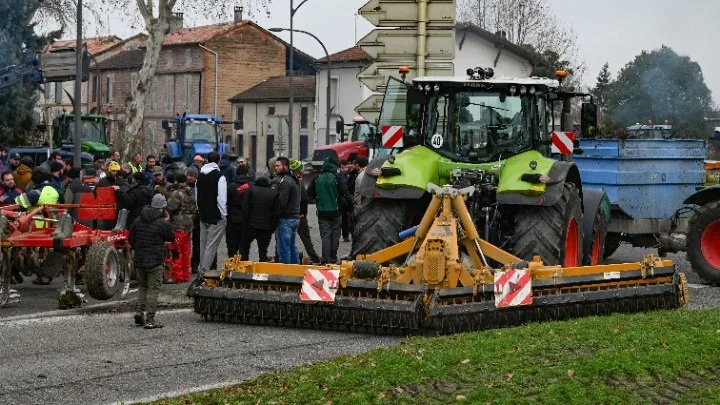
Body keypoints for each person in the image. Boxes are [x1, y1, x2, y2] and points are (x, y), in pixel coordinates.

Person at [129, 194, 175, 329]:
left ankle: (139, 313)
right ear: (162, 208)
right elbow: (171, 237)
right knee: (153, 289)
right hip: (155, 261)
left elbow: (131, 240)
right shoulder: (162, 223)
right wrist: (167, 221)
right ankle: (150, 319)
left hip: (139, 260)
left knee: (142, 287)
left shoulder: (138, 220)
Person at [308, 158, 352, 264]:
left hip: (322, 212)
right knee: (335, 235)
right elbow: (345, 192)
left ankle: (325, 259)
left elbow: (309, 193)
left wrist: (319, 199)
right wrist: (350, 202)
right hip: (336, 211)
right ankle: (333, 258)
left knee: (325, 235)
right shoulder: (337, 177)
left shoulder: (317, 178)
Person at [195, 151, 227, 274]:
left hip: (203, 214)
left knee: (203, 244)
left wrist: (200, 211)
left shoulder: (200, 176)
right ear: (218, 161)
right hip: (216, 216)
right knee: (211, 246)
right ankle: (204, 272)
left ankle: (200, 269)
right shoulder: (220, 177)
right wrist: (223, 215)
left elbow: (196, 196)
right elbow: (221, 199)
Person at [165, 173, 196, 283]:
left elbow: (171, 207)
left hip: (178, 224)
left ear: (176, 181)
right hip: (188, 224)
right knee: (186, 251)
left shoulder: (177, 193)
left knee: (176, 250)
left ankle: (176, 276)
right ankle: (185, 275)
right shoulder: (190, 192)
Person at [239, 176, 277, 262]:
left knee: (244, 246)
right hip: (266, 227)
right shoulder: (273, 193)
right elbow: (276, 212)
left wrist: (244, 224)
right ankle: (262, 267)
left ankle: (243, 265)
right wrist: (272, 227)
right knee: (263, 250)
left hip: (250, 226)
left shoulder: (251, 190)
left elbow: (245, 209)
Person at [272, 157, 301, 264]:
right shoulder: (294, 179)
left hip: (286, 218)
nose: (276, 168)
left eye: (278, 165)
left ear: (286, 166)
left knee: (284, 247)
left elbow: (282, 202)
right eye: (275, 165)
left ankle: (286, 273)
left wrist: (275, 216)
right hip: (294, 217)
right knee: (292, 246)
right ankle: (296, 269)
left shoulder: (285, 181)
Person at [293, 165, 320, 264]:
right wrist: (303, 213)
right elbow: (304, 199)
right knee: (306, 239)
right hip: (300, 216)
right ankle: (315, 258)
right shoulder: (299, 184)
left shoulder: (294, 183)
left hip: (294, 216)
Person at [226, 165, 253, 258]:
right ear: (247, 173)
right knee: (244, 246)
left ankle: (232, 266)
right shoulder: (251, 186)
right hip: (247, 221)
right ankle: (243, 266)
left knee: (232, 246)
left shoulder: (231, 186)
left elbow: (227, 203)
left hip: (233, 220)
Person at [338, 159, 352, 242]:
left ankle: (346, 235)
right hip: (340, 201)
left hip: (347, 201)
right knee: (341, 220)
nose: (344, 169)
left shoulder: (350, 176)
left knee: (346, 220)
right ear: (340, 168)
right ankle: (344, 235)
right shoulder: (338, 176)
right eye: (342, 168)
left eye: (346, 167)